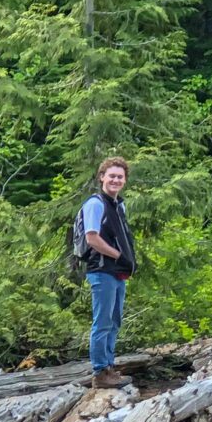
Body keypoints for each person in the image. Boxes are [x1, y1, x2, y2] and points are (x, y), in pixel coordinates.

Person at [79, 156, 137, 388]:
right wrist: (119, 256)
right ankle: (100, 371)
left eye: (120, 177)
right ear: (102, 176)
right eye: (111, 175)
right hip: (101, 270)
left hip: (117, 272)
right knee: (102, 321)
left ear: (125, 180)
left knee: (114, 320)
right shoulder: (95, 204)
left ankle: (109, 367)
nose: (115, 180)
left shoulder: (118, 205)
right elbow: (92, 238)